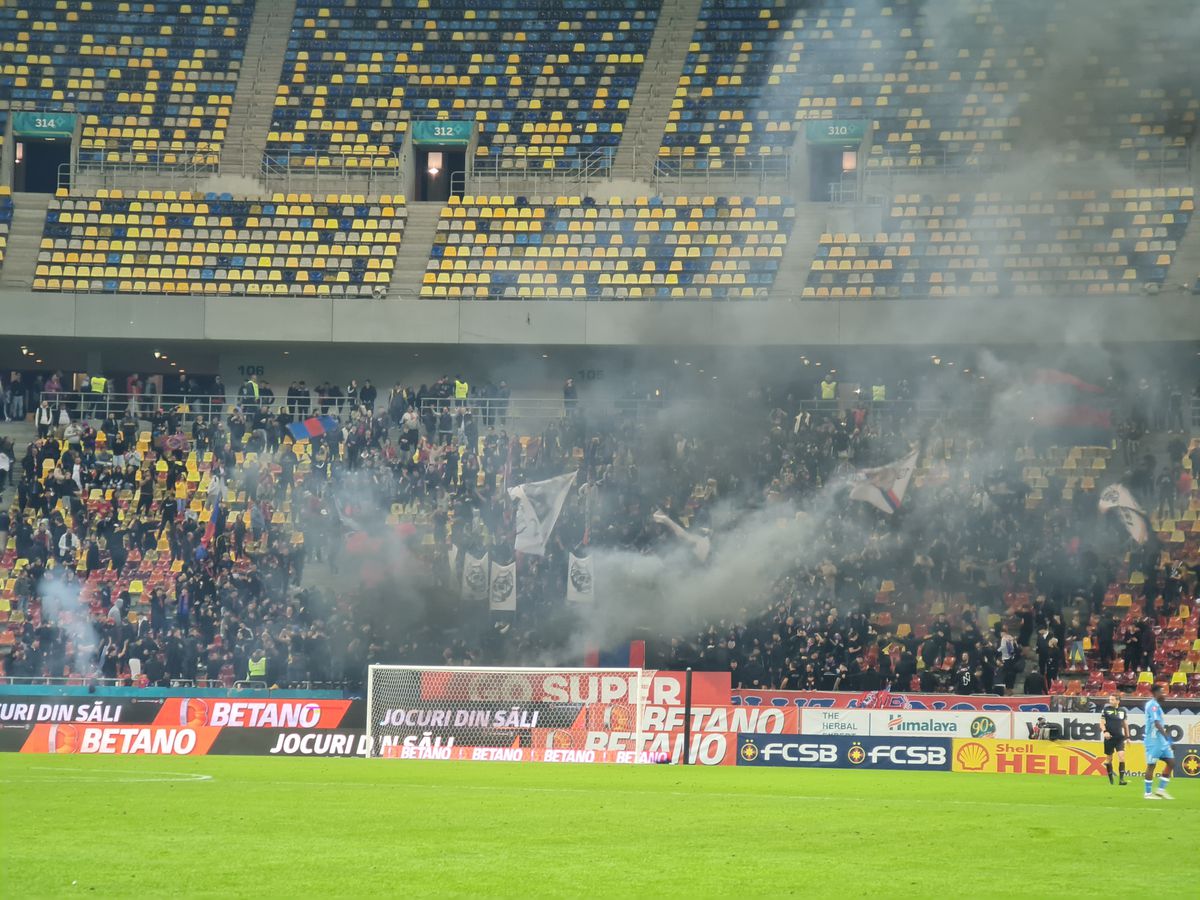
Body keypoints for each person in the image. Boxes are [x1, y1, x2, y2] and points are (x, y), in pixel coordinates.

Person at [1142, 683, 1174, 800]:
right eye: (1162, 692)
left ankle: (1160, 790)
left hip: (1161, 741)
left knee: (1171, 762)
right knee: (1151, 765)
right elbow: (1156, 723)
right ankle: (1148, 793)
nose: (1164, 694)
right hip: (1153, 740)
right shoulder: (1152, 705)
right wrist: (1169, 739)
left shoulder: (1157, 706)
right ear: (1156, 693)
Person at [1099, 693, 1129, 785]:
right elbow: (1102, 723)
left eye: (1112, 699)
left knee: (1121, 756)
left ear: (1117, 701)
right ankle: (1111, 778)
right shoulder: (1106, 710)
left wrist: (1127, 736)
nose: (1110, 701)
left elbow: (1125, 724)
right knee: (1109, 759)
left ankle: (1121, 780)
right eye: (1110, 699)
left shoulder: (1123, 711)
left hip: (1119, 738)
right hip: (1109, 738)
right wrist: (1105, 732)